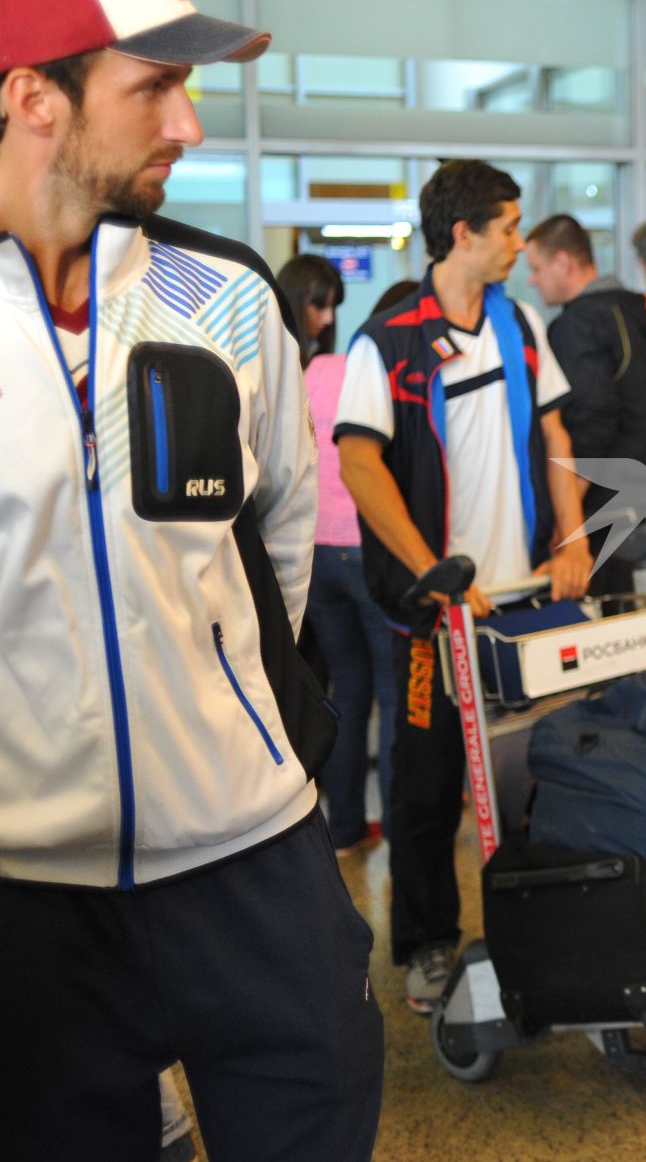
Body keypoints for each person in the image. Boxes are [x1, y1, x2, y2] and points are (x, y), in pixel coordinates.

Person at [0, 0, 381, 1158]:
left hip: (253, 860)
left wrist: (257, 725)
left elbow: (283, 544)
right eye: (154, 87)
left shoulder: (229, 296)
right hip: (26, 896)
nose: (189, 125)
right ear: (33, 98)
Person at [335, 159, 591, 1012]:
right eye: (511, 227)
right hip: (432, 615)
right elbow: (359, 462)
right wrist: (430, 572)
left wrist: (571, 534)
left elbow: (555, 427)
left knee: (534, 774)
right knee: (426, 785)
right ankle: (428, 943)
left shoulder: (518, 324)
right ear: (464, 234)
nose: (521, 242)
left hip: (521, 604)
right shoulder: (388, 337)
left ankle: (543, 928)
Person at [287, 253, 399, 858]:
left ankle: (347, 828)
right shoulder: (358, 370)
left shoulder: (297, 372)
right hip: (366, 548)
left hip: (316, 553)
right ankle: (404, 831)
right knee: (393, 693)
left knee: (347, 694)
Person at [525, 211, 646, 589]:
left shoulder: (577, 326)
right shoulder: (630, 312)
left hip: (605, 510)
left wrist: (566, 520)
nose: (532, 280)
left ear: (563, 262)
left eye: (536, 268)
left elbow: (594, 423)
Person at [279, 251, 342, 363]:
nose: (329, 318)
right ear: (294, 301)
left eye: (333, 307)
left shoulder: (315, 350)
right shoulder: (271, 358)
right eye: (320, 306)